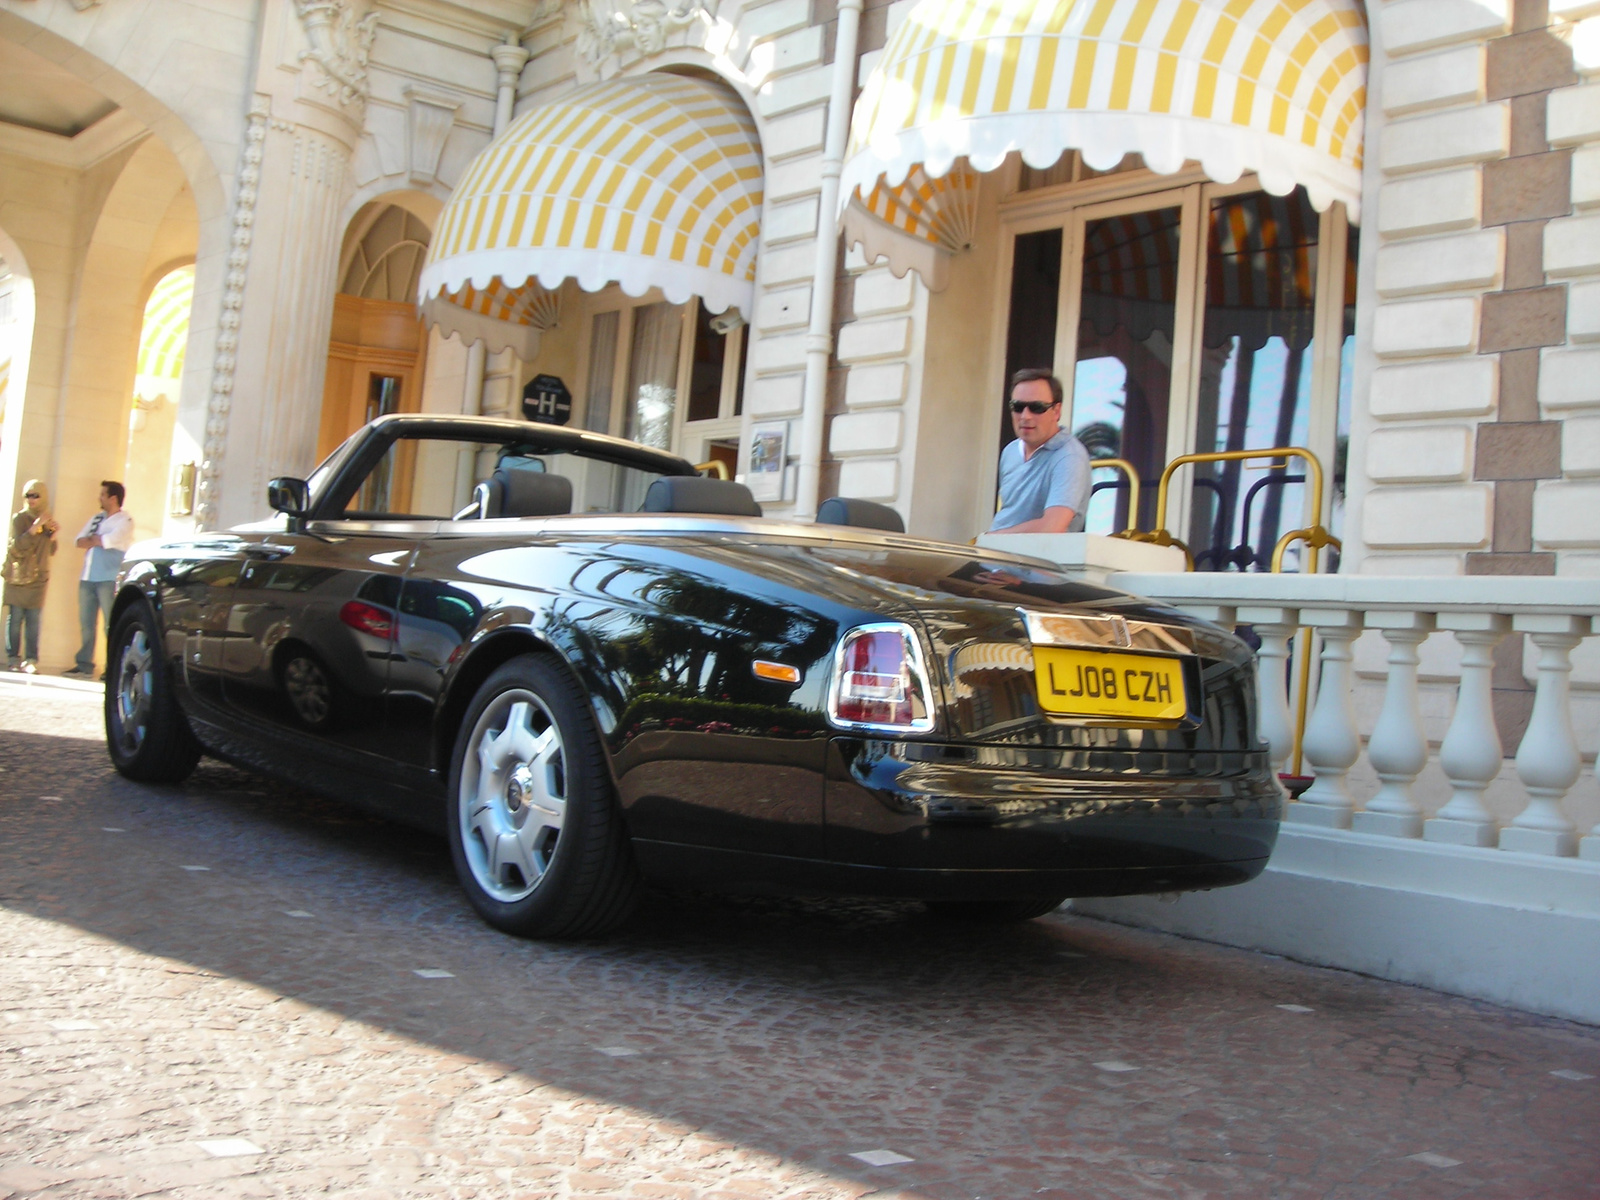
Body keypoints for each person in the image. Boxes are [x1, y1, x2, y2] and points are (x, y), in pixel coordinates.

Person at [988, 368, 1091, 535]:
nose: (1025, 416)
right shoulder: (1011, 451)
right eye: (1018, 407)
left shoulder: (1070, 457)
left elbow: (1053, 526)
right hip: (992, 556)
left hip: (1037, 559)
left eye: (1036, 407)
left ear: (1056, 411)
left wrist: (994, 538)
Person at [67, 480, 135, 677]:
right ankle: (83, 663)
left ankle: (113, 667)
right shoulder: (97, 518)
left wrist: (96, 540)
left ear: (113, 498)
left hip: (108, 577)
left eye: (103, 494)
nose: (100, 498)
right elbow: (79, 541)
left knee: (110, 623)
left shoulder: (125, 521)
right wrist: (95, 541)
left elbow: (107, 540)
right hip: (88, 576)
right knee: (86, 622)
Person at [2, 479, 59, 673]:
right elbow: (18, 546)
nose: (32, 499)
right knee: (16, 618)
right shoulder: (20, 518)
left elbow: (50, 550)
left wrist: (52, 535)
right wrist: (34, 528)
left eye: (36, 495)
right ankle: (13, 658)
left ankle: (31, 659)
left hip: (39, 577)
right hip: (19, 575)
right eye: (28, 495)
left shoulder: (46, 518)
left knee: (34, 620)